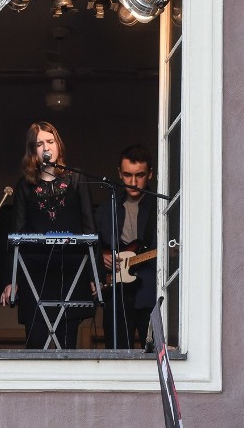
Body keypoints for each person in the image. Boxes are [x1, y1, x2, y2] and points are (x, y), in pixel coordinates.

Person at [0, 121, 96, 349]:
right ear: (33, 151)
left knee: (67, 343)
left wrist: (94, 274)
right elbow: (17, 234)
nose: (46, 148)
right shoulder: (25, 186)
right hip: (36, 274)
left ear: (58, 146)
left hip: (71, 269)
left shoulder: (77, 179)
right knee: (36, 342)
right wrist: (10, 280)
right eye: (40, 144)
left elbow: (89, 228)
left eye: (50, 142)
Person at [95, 144, 157, 349]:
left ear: (150, 174)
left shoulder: (162, 208)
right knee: (116, 353)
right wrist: (101, 257)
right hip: (117, 292)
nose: (133, 182)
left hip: (150, 290)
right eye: (127, 175)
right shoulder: (106, 209)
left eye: (139, 175)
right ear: (119, 174)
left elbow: (171, 247)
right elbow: (93, 244)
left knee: (153, 353)